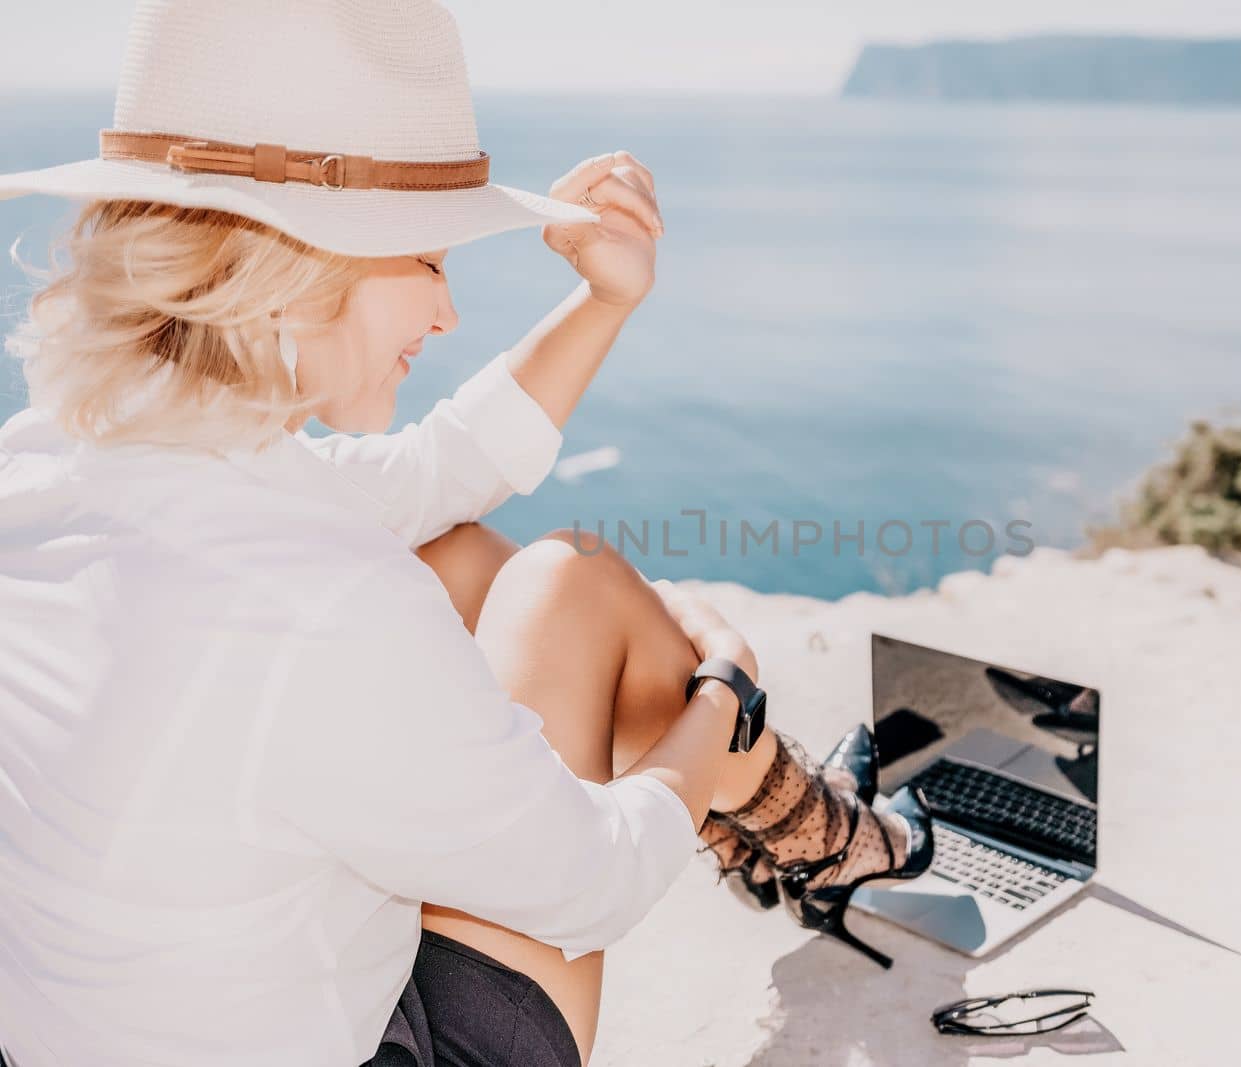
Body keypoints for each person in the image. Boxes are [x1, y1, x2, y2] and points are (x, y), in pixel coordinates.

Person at [0, 2, 932, 1066]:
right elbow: (590, 881)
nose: (446, 316)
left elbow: (431, 478)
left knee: (464, 554)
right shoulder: (323, 598)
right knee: (571, 577)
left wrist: (603, 298)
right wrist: (721, 696)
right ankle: (804, 824)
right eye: (430, 263)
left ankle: (789, 820)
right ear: (298, 272)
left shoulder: (39, 461)